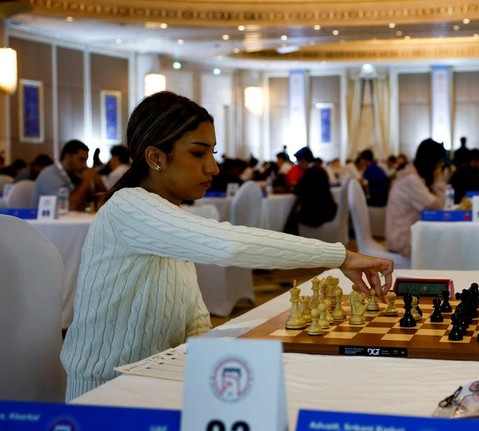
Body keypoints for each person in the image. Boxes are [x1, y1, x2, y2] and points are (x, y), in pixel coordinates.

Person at [60, 92, 394, 401]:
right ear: (156, 157)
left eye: (213, 153)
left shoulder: (166, 217)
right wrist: (340, 256)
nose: (213, 167)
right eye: (198, 153)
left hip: (159, 383)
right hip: (105, 394)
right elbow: (229, 245)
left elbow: (194, 318)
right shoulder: (127, 208)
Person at [386, 138, 446, 257]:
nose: (440, 169)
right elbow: (437, 206)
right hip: (403, 241)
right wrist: (438, 180)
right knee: (446, 248)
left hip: (404, 235)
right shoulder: (412, 181)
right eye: (439, 165)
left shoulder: (412, 176)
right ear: (432, 163)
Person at [31, 139, 107, 210]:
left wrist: (98, 182)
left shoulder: (74, 175)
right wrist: (86, 182)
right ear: (67, 157)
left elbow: (104, 202)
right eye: (81, 160)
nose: (85, 165)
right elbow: (68, 206)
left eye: (86, 160)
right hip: (44, 220)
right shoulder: (50, 175)